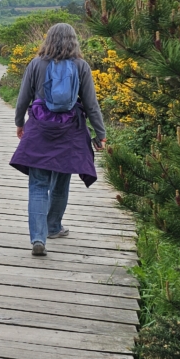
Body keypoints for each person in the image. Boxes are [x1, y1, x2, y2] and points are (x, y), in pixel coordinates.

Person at [9, 23, 107, 256]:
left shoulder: (35, 64)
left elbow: (23, 98)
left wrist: (20, 123)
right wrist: (100, 134)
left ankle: (38, 238)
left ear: (48, 39)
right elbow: (91, 105)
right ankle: (54, 226)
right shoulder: (81, 66)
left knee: (38, 185)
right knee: (62, 182)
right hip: (69, 131)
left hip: (40, 128)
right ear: (74, 41)